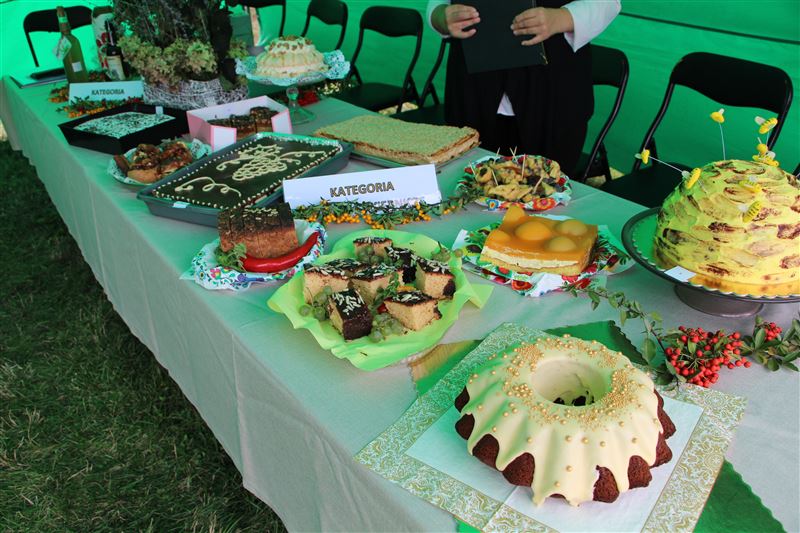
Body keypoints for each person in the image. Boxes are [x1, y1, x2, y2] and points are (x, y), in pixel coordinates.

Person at [427, 1, 620, 177]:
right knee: (465, 183)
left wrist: (560, 18)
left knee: (544, 191)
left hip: (550, 93)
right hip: (472, 89)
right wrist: (441, 16)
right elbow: (439, 5)